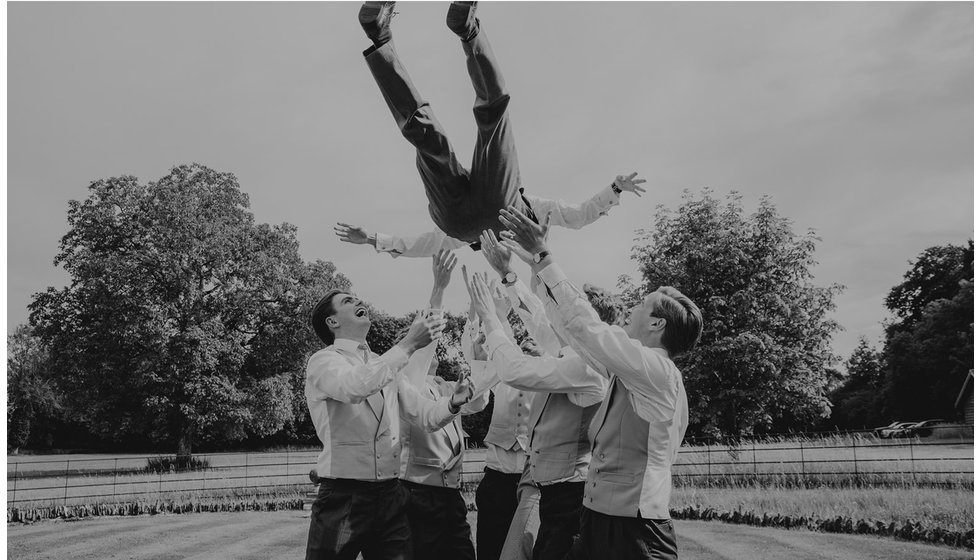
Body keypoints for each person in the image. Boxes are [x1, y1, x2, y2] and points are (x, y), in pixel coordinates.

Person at [348, 1, 647, 253]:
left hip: (502, 212)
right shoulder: (506, 224)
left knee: (494, 112)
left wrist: (616, 187)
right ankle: (380, 36)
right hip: (458, 224)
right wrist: (374, 239)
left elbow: (580, 216)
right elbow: (424, 245)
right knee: (425, 137)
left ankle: (468, 31)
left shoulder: (538, 208)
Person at [496, 205, 703, 560]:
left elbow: (588, 328)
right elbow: (571, 332)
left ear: (657, 325)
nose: (633, 309)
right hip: (597, 519)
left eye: (642, 304)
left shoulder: (658, 372)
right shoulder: (629, 373)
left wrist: (545, 257)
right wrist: (532, 267)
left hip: (635, 530)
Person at [469, 231, 628, 560]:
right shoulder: (573, 351)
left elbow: (515, 370)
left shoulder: (585, 366)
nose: (554, 311)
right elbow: (539, 320)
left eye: (561, 308)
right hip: (541, 486)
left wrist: (489, 317)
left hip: (568, 491)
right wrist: (508, 274)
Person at [304, 284, 476, 560]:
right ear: (332, 321)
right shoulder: (323, 361)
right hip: (344, 495)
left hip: (390, 495)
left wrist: (453, 402)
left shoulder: (383, 363)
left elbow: (424, 416)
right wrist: (408, 344)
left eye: (358, 297)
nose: (359, 300)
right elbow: (355, 387)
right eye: (348, 301)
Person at [399, 250, 487, 560]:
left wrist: (478, 319)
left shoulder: (446, 386)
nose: (432, 348)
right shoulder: (406, 381)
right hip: (415, 492)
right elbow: (423, 350)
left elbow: (478, 401)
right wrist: (438, 288)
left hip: (451, 494)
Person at [459, 269, 536, 560]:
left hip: (536, 479)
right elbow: (479, 356)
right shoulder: (503, 369)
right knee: (491, 551)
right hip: (497, 477)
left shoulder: (554, 374)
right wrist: (478, 311)